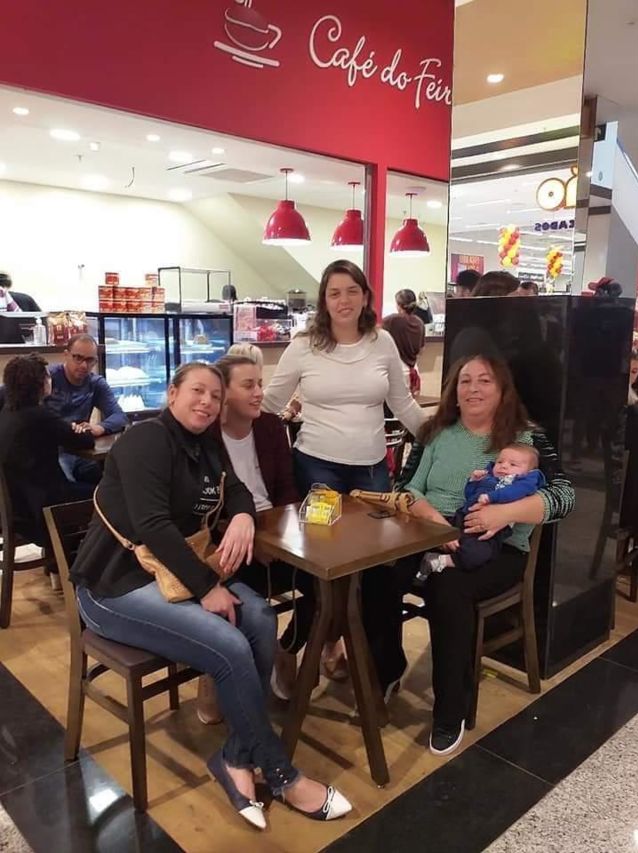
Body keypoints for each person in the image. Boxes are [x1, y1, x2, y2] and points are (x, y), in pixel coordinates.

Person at [70, 361, 351, 829]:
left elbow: (236, 491)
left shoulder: (205, 444)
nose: (207, 402)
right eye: (197, 391)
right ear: (172, 393)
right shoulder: (145, 440)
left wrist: (242, 516)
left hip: (171, 575)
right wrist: (207, 589)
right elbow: (152, 525)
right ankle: (282, 775)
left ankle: (235, 758)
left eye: (215, 396)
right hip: (112, 587)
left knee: (260, 617)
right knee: (229, 644)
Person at [389, 355, 574, 756]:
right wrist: (431, 518)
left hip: (498, 547)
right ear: (454, 391)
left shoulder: (526, 438)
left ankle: (450, 709)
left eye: (485, 380)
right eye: (465, 381)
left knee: (447, 587)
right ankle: (386, 667)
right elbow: (403, 486)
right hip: (426, 534)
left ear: (503, 389)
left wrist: (504, 513)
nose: (473, 388)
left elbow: (564, 496)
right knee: (375, 573)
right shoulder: (436, 432)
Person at [262, 259, 427, 688]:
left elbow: (402, 403)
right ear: (324, 300)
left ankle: (362, 658)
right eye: (334, 293)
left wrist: (441, 435)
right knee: (323, 571)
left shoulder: (382, 341)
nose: (344, 300)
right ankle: (296, 647)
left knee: (374, 571)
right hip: (316, 471)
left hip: (372, 475)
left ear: (366, 296)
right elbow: (270, 403)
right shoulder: (304, 346)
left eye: (352, 291)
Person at [213, 354, 314, 700]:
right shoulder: (207, 435)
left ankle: (289, 646)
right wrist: (252, 539)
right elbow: (207, 509)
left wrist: (283, 536)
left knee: (334, 587)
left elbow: (287, 489)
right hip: (228, 541)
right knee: (248, 604)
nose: (259, 393)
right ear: (224, 394)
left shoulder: (270, 426)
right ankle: (215, 674)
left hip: (275, 530)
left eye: (260, 384)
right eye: (248, 385)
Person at [0, 354, 95, 571]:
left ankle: (60, 569)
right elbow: (85, 440)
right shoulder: (39, 417)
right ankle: (81, 571)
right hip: (41, 511)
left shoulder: (6, 413)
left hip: (17, 506)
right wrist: (78, 429)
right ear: (40, 384)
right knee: (107, 494)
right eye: (47, 377)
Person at [416, 443, 545, 579]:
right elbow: (470, 495)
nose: (504, 466)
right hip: (462, 516)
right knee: (426, 537)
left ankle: (439, 561)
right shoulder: (489, 477)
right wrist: (473, 481)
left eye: (513, 464)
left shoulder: (522, 483)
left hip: (486, 532)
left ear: (529, 472)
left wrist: (491, 497)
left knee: (478, 554)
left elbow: (513, 493)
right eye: (500, 462)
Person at [47, 334, 128, 484]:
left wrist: (99, 428)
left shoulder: (95, 383)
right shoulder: (49, 378)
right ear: (66, 355)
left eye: (90, 360)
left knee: (109, 483)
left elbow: (119, 416)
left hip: (82, 450)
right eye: (78, 358)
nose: (84, 365)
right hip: (53, 452)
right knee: (66, 485)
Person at [382, 289, 425, 396]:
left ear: (399, 305)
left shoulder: (392, 320)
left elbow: (373, 331)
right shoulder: (420, 322)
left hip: (397, 372)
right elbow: (421, 350)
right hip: (414, 371)